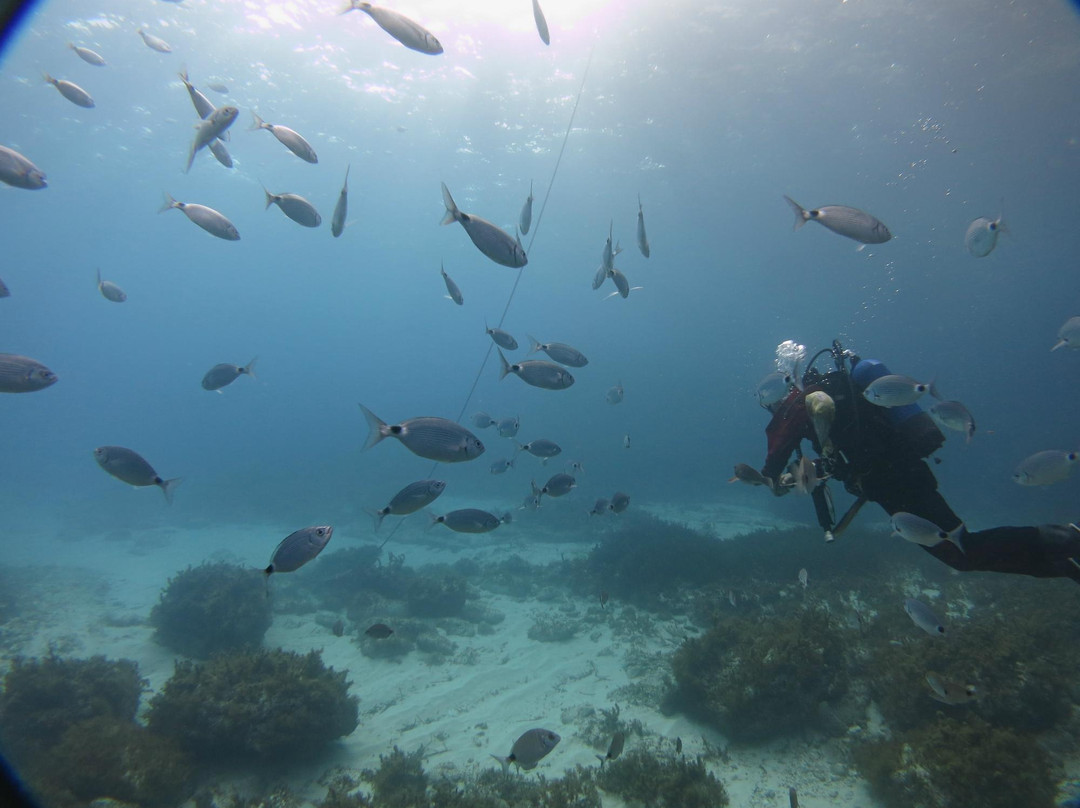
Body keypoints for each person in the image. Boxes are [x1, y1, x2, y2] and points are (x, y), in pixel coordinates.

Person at [758, 340, 1080, 583]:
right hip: (899, 477)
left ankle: (1068, 538)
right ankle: (1063, 563)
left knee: (963, 549)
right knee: (962, 556)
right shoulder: (835, 405)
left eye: (772, 408)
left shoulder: (805, 402)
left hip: (897, 482)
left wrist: (769, 477)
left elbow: (782, 435)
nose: (775, 414)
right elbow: (841, 452)